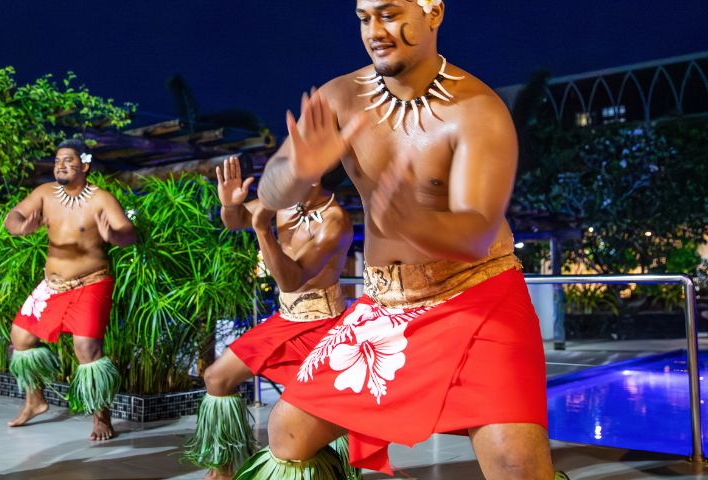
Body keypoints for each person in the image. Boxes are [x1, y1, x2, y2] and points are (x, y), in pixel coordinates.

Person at [234, 1, 568, 479]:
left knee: (517, 467)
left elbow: (475, 234)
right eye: (364, 17)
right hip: (386, 305)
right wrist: (296, 173)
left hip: (479, 296)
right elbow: (270, 191)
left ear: (433, 11)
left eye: (389, 14)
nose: (375, 31)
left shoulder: (478, 110)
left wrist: (410, 221)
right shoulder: (339, 97)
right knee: (286, 435)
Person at [183, 156, 357, 480]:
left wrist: (262, 229)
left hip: (325, 326)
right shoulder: (283, 201)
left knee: (313, 414)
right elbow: (235, 221)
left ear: (313, 176)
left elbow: (291, 278)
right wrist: (230, 205)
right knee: (217, 379)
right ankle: (223, 469)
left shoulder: (336, 221)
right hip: (286, 317)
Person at [3, 138, 136, 441]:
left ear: (85, 166)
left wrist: (113, 233)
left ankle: (101, 417)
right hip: (53, 284)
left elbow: (129, 234)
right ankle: (35, 400)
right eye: (57, 160)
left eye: (68, 160)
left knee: (86, 350)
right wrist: (21, 226)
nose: (60, 165)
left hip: (92, 283)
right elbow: (14, 216)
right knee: (20, 337)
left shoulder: (101, 199)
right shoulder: (44, 194)